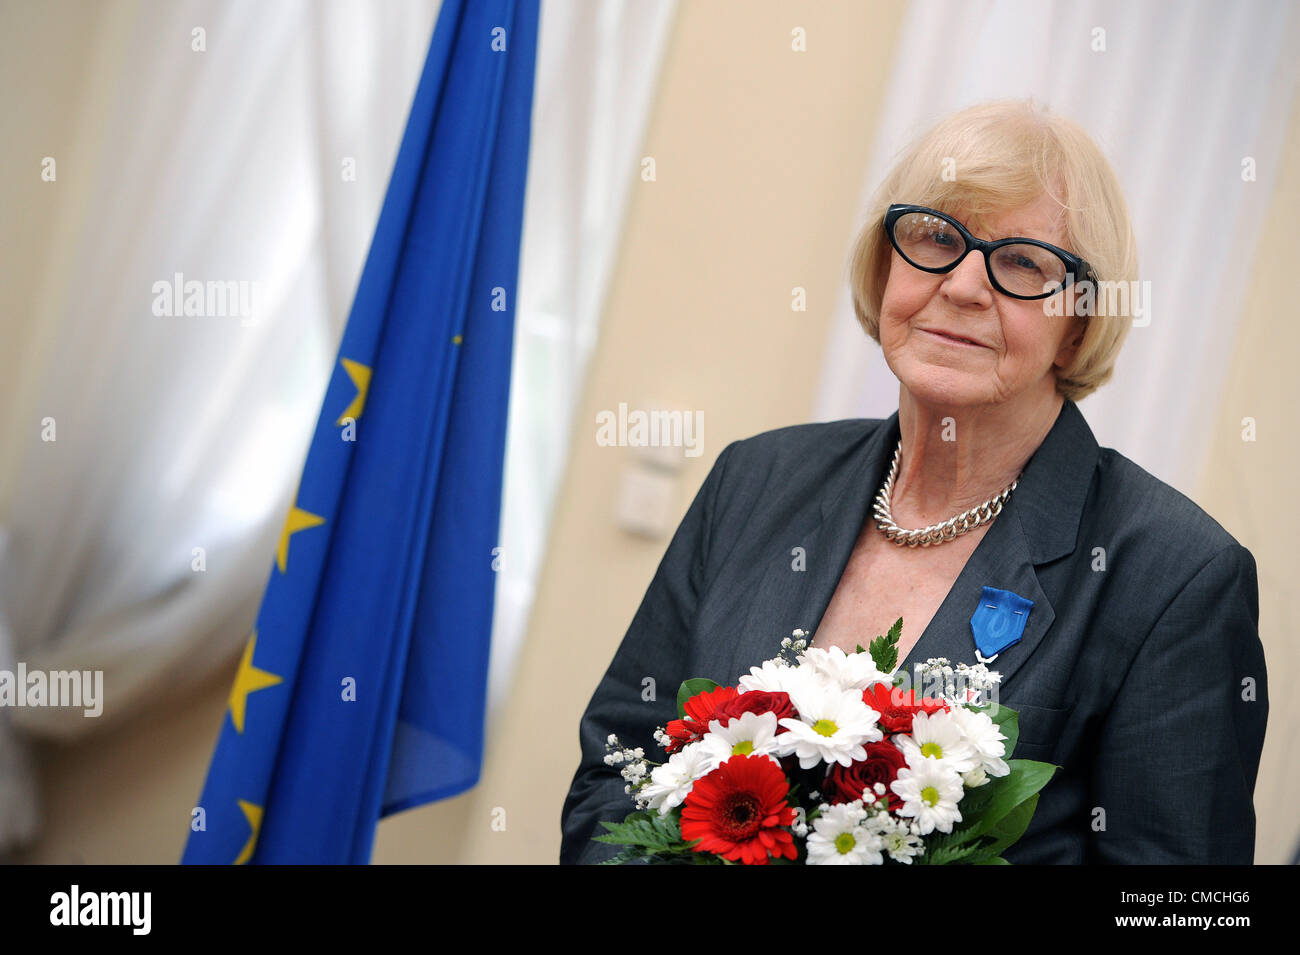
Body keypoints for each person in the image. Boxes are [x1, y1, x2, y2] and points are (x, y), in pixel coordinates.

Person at [559, 100, 1268, 864]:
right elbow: (615, 769)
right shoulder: (755, 480)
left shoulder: (1175, 576)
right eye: (936, 236)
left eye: (1023, 260)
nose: (963, 285)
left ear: (1079, 322)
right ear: (884, 262)